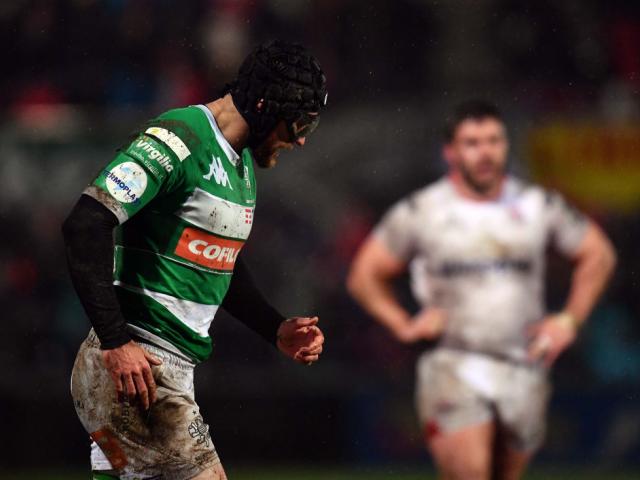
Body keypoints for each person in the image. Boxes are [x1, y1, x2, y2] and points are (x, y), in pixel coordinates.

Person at [62, 40, 327, 480]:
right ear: (265, 105)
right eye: (298, 123)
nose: (300, 139)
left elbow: (221, 263)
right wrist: (115, 341)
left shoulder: (240, 165)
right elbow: (86, 223)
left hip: (150, 375)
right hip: (139, 373)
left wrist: (274, 328)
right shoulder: (179, 139)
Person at [347, 101, 616, 480]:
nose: (485, 152)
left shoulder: (536, 205)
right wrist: (402, 323)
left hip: (522, 365)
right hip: (454, 362)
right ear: (450, 152)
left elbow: (598, 254)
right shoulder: (422, 211)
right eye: (472, 142)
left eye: (493, 141)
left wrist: (569, 321)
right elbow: (365, 274)